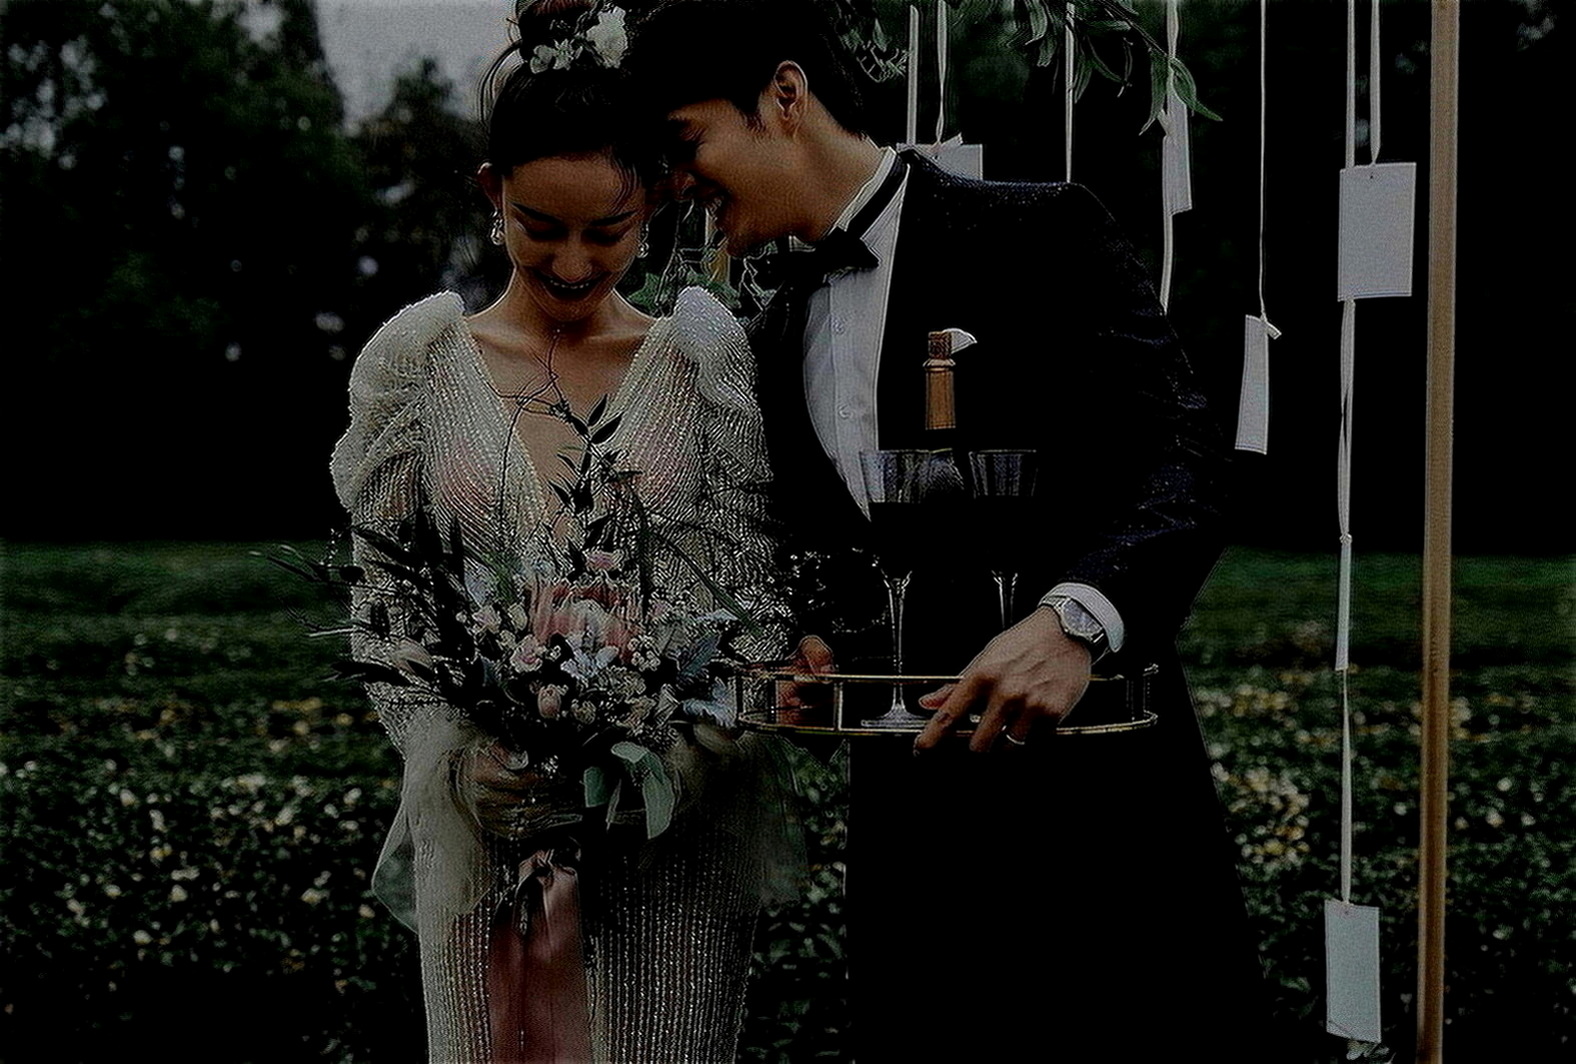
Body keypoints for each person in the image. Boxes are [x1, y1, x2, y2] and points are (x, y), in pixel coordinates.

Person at [625, 1, 1268, 1058]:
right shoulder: (772, 330)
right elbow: (843, 555)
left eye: (683, 141)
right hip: (913, 849)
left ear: (783, 96)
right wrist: (816, 641)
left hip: (1102, 822)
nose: (674, 183)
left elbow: (1186, 455)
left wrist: (1076, 621)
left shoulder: (1040, 231)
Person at [331, 17, 792, 1061]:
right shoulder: (419, 361)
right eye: (539, 227)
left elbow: (755, 599)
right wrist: (457, 765)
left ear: (658, 200)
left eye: (608, 229)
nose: (574, 262)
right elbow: (385, 607)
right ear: (490, 191)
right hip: (484, 843)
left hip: (668, 846)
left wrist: (674, 759)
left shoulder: (701, 359)